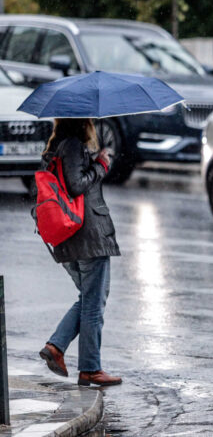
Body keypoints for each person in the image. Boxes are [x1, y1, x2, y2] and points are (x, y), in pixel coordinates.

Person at [38, 118, 122, 387]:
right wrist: (101, 165)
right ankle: (89, 368)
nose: (94, 125)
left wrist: (93, 160)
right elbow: (76, 184)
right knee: (94, 303)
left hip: (72, 238)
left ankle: (57, 347)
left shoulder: (58, 148)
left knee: (88, 298)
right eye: (90, 121)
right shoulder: (73, 146)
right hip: (87, 236)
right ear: (82, 123)